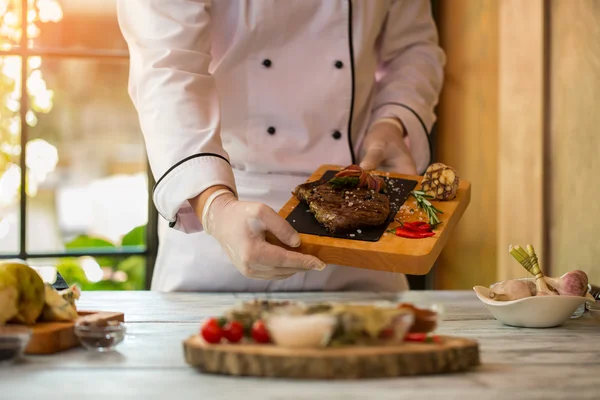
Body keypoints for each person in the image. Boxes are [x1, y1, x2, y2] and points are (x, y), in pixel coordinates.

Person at [117, 0, 445, 292]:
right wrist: (215, 206)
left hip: (359, 236)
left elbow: (413, 49)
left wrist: (392, 120)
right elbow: (167, 69)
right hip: (222, 224)